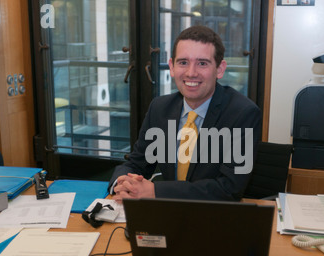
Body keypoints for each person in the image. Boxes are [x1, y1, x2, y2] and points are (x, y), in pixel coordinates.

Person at [109, 25, 261, 201]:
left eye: (202, 63)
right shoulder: (159, 108)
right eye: (183, 63)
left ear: (219, 69)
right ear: (172, 67)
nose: (191, 73)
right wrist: (121, 183)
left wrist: (156, 191)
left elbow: (229, 188)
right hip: (167, 215)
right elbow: (137, 163)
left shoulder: (243, 114)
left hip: (213, 217)